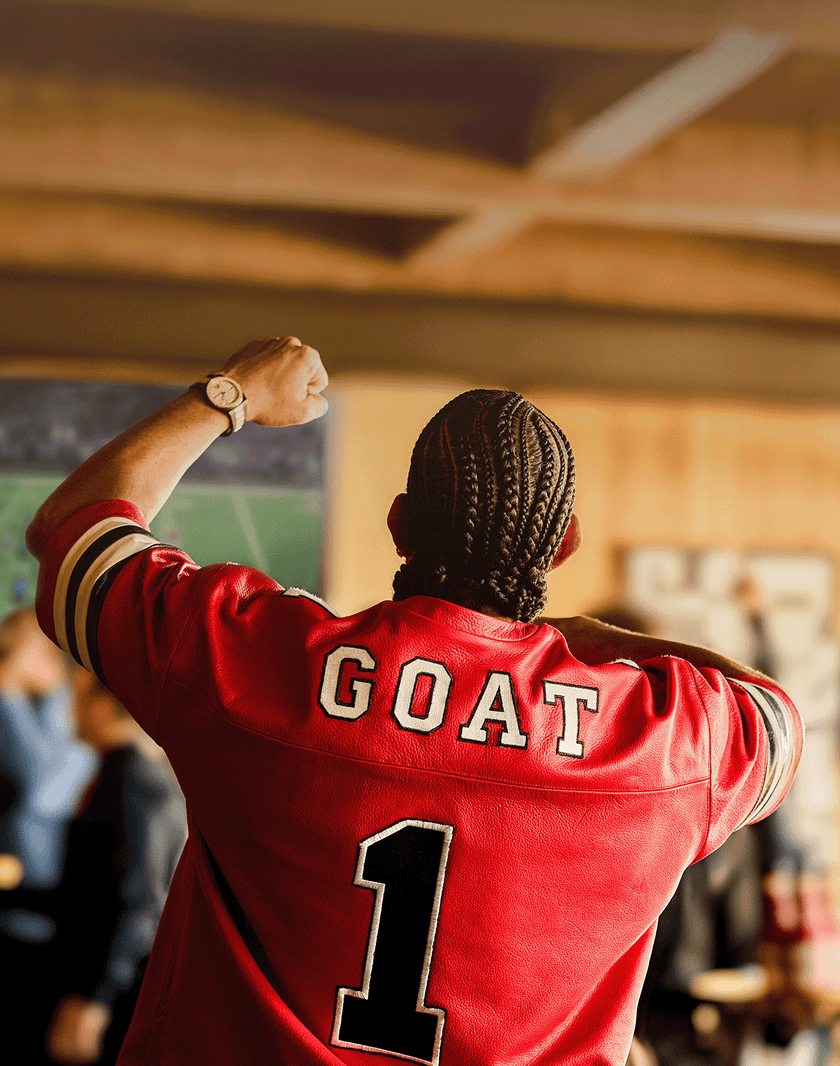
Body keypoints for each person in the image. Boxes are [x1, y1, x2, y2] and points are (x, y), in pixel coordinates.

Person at [25, 336, 802, 1066]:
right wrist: (591, 639)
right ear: (563, 544)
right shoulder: (658, 741)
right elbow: (773, 718)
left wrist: (226, 397)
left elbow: (73, 529)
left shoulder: (258, 656)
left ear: (398, 525)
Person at [44, 670, 187, 1065]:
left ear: (104, 708)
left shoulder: (132, 778)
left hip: (114, 990)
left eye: (75, 699)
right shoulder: (135, 772)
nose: (69, 712)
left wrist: (96, 996)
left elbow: (138, 897)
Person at [0, 607, 94, 1064]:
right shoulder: (17, 708)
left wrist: (20, 689)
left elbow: (52, 784)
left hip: (53, 912)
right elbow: (36, 788)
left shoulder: (59, 710)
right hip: (16, 913)